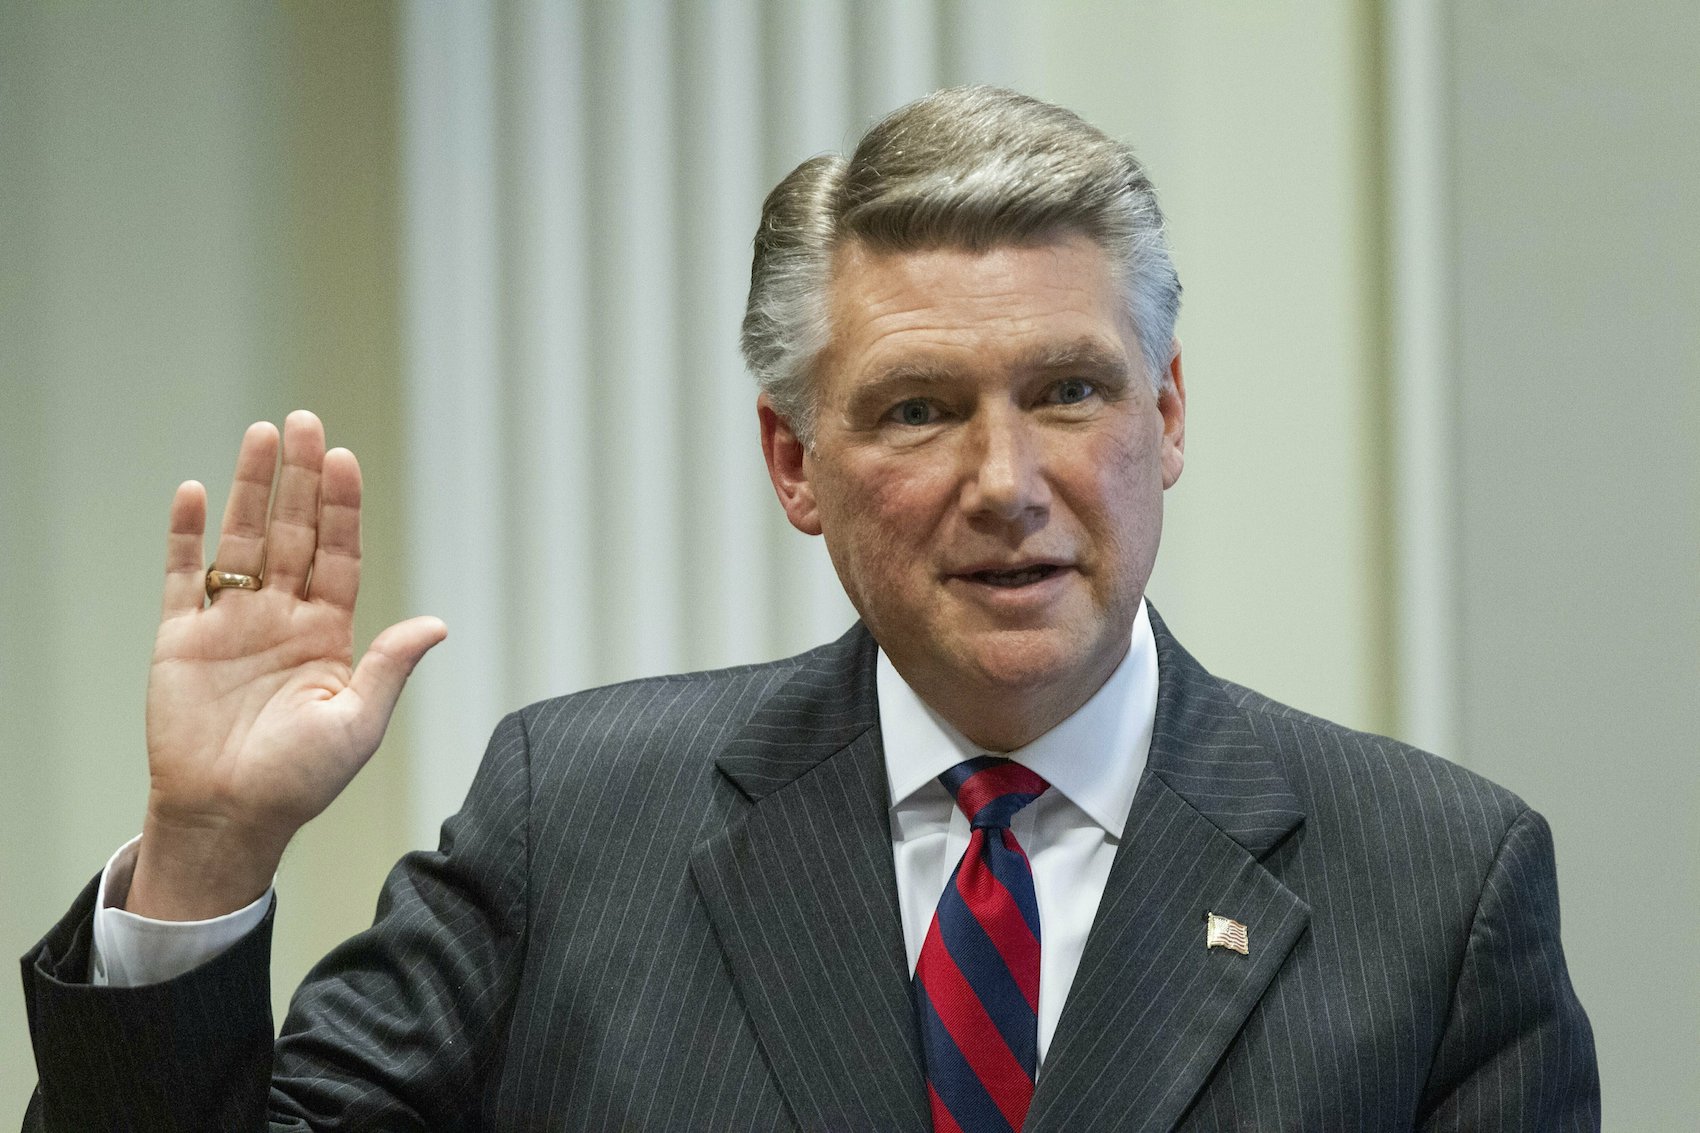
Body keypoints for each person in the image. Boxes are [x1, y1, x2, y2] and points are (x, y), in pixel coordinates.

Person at [20, 87, 1597, 1132]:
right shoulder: (572, 825)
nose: (1007, 480)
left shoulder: (1440, 889)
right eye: (917, 409)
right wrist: (207, 855)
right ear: (795, 458)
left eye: (1068, 391)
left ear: (1167, 415)